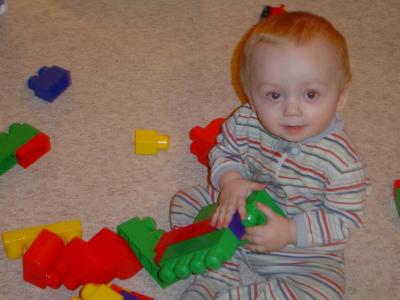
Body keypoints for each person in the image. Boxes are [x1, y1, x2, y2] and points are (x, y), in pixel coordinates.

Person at [170, 8, 370, 300]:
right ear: (250, 95)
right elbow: (226, 150)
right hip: (238, 213)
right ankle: (217, 273)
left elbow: (343, 219)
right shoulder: (246, 120)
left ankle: (236, 294)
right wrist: (230, 181)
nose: (291, 110)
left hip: (303, 253)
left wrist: (290, 231)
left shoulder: (343, 162)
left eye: (310, 94)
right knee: (186, 201)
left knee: (326, 291)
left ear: (341, 96)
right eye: (274, 95)